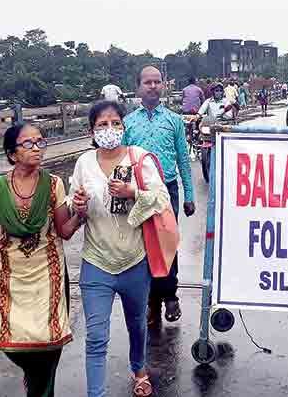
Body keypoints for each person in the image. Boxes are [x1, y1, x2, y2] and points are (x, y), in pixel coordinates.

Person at [0, 122, 86, 397]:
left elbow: (65, 231)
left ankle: (40, 391)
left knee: (50, 342)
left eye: (40, 142)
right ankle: (34, 377)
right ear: (13, 154)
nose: (37, 148)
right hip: (9, 277)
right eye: (28, 144)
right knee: (13, 344)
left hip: (48, 274)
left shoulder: (53, 184)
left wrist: (81, 214)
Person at [70, 101, 170, 397]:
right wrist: (77, 208)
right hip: (96, 262)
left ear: (123, 127)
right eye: (102, 124)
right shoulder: (84, 163)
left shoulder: (138, 159)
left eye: (115, 122)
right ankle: (95, 393)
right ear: (92, 130)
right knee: (96, 336)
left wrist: (133, 193)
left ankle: (139, 369)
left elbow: (161, 199)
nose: (109, 129)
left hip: (135, 261)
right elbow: (74, 206)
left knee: (137, 325)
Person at [123, 66, 195, 324]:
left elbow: (183, 160)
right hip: (138, 191)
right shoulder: (128, 123)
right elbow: (121, 159)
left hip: (168, 189)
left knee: (167, 242)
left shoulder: (174, 120)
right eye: (147, 82)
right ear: (138, 87)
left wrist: (189, 194)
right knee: (142, 245)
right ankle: (150, 301)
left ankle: (169, 295)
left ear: (164, 85)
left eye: (157, 82)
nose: (152, 86)